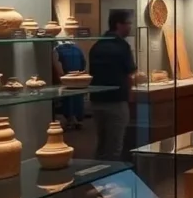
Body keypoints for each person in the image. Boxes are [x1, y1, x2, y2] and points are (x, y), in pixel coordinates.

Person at [88, 10, 136, 161]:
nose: (130, 27)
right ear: (118, 25)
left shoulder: (97, 45)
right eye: (128, 23)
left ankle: (97, 180)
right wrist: (130, 94)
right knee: (115, 146)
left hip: (96, 101)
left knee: (101, 145)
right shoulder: (122, 46)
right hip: (116, 101)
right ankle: (112, 182)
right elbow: (130, 73)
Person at [53, 40, 86, 129]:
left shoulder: (57, 50)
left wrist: (60, 78)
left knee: (67, 99)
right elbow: (83, 63)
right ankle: (78, 119)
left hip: (66, 78)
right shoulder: (77, 49)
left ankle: (69, 119)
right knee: (77, 98)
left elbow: (58, 67)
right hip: (78, 77)